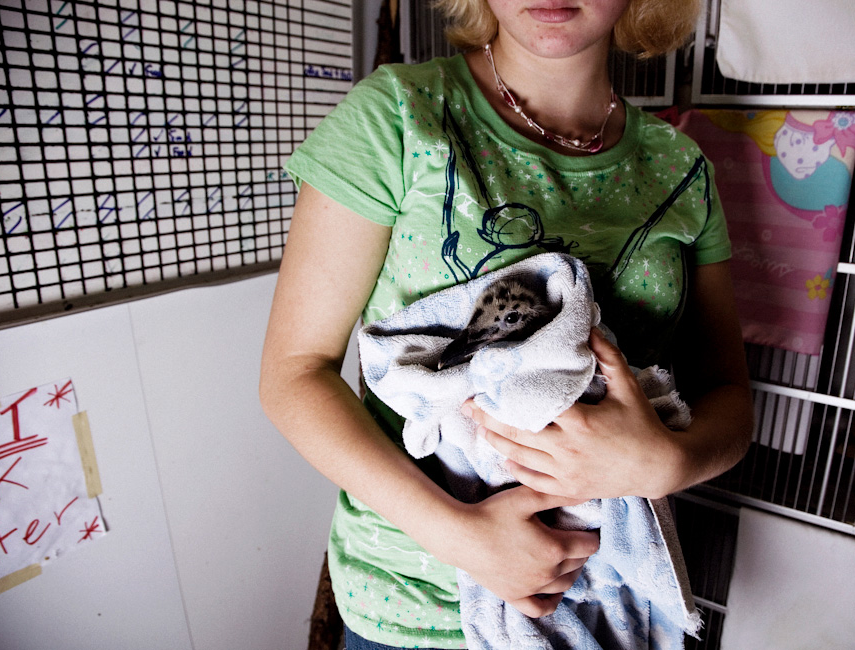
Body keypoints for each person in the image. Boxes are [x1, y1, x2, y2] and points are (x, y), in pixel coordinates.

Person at [259, 1, 754, 648]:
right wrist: (462, 537)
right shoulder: (397, 117)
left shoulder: (683, 173)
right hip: (414, 606)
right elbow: (294, 375)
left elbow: (732, 402)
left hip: (612, 605)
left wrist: (666, 462)